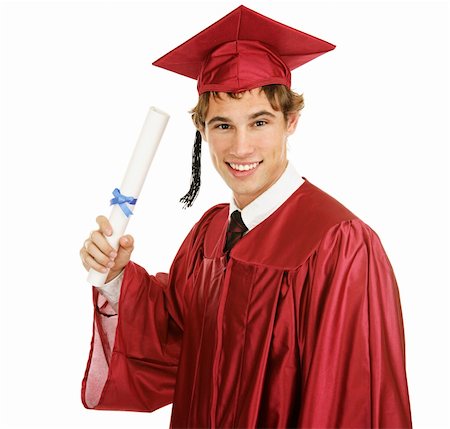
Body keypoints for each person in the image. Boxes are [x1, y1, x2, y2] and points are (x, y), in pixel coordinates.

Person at [79, 5, 412, 428]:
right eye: (223, 126)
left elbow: (349, 402)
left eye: (259, 122)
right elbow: (175, 342)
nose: (240, 148)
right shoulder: (210, 233)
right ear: (202, 130)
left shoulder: (340, 246)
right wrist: (116, 277)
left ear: (291, 121)